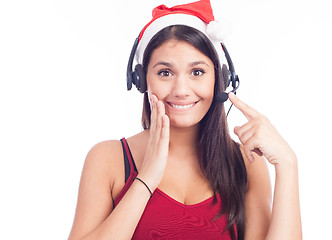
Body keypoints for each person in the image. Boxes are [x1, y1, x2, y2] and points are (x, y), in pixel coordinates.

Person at [68, 1, 302, 239]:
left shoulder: (246, 162)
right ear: (140, 79)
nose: (181, 90)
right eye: (165, 72)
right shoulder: (108, 158)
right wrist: (147, 178)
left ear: (219, 78)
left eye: (197, 72)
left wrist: (288, 165)